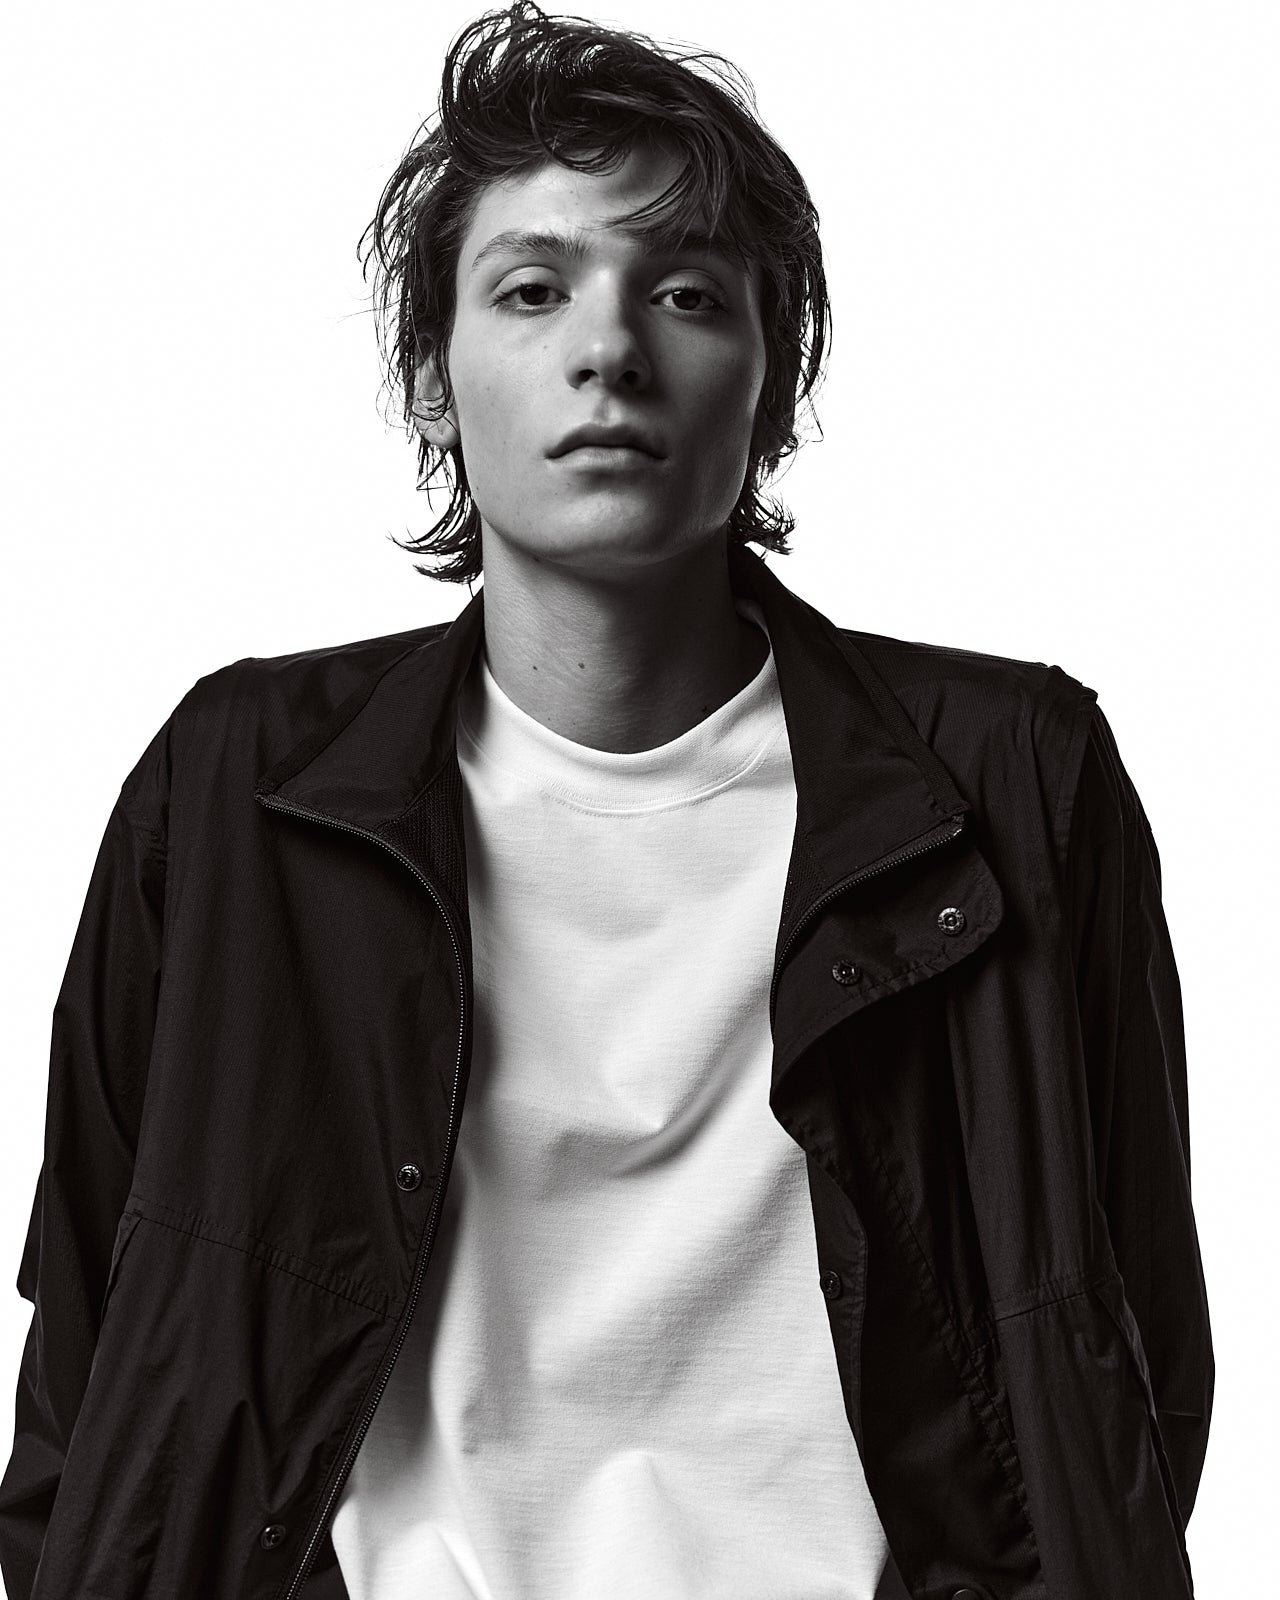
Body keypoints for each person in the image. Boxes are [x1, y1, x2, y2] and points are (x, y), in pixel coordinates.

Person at [0, 3, 1213, 1597]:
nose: (609, 349)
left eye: (689, 293)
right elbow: (92, 1358)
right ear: (431, 380)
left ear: (771, 387)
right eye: (532, 288)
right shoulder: (238, 790)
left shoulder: (1013, 783)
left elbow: (1127, 1361)